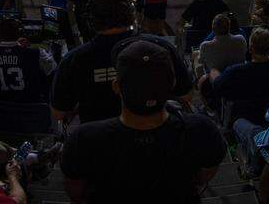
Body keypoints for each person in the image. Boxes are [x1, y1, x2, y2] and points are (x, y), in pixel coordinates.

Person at [60, 40, 226, 204]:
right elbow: (203, 177)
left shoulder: (83, 140)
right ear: (172, 83)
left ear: (116, 86)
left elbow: (75, 192)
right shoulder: (203, 130)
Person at [51, 0, 192, 124]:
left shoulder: (73, 60)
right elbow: (186, 95)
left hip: (97, 141)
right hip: (155, 140)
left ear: (90, 20)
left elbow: (58, 113)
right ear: (131, 14)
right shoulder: (160, 47)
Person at [0, 18, 57, 102]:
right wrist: (28, 48)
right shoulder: (36, 53)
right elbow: (52, 68)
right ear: (18, 34)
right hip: (29, 106)